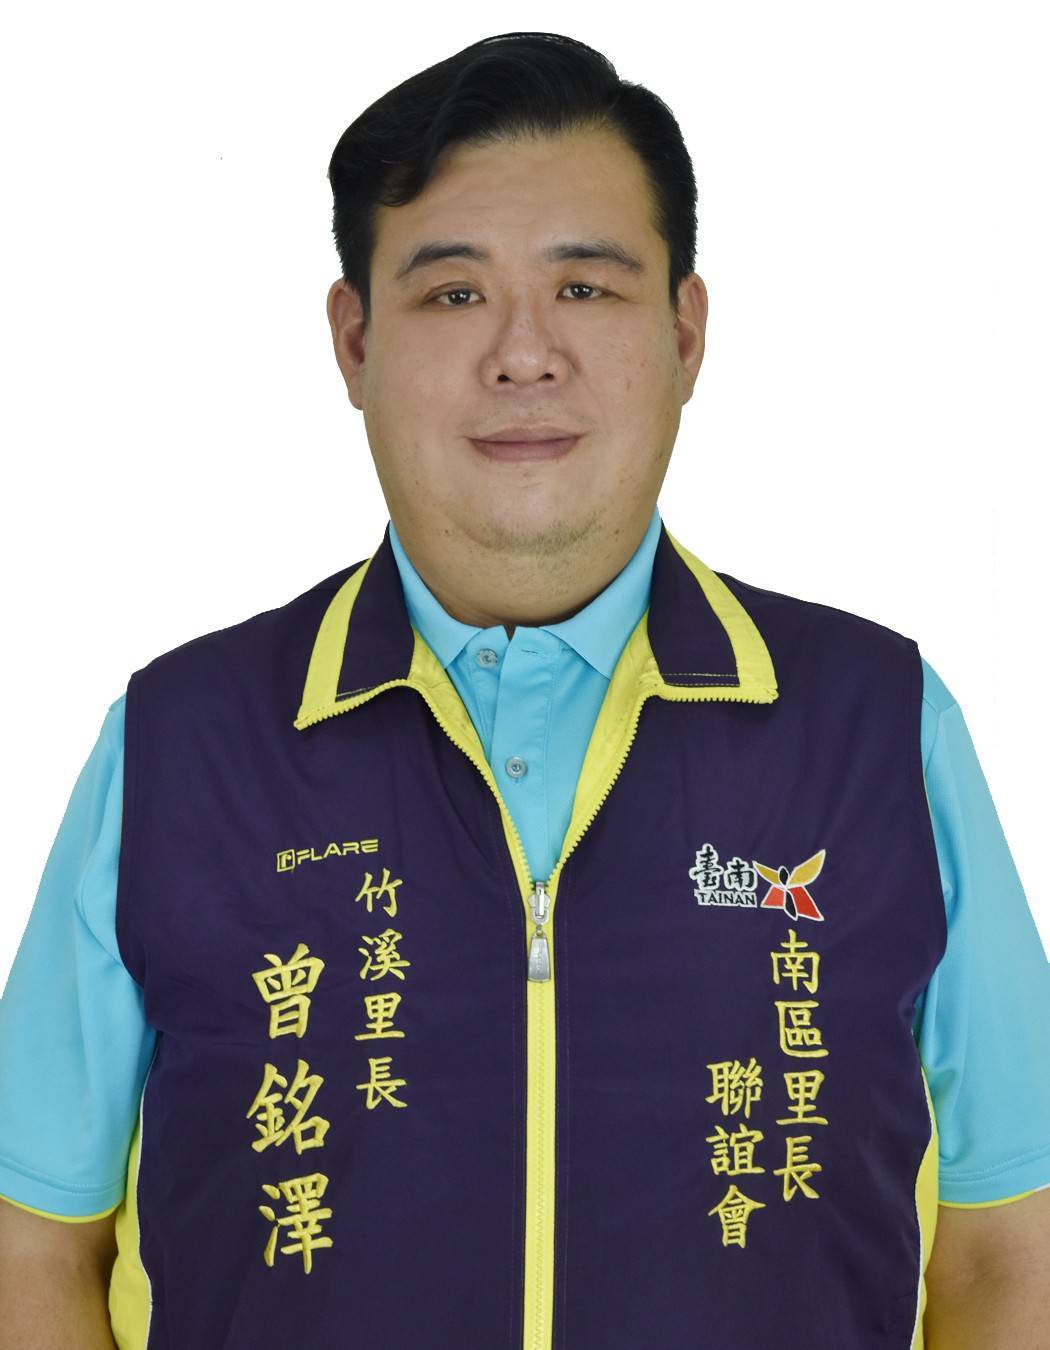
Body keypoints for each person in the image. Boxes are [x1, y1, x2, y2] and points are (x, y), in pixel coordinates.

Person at [1, 29, 1047, 1350]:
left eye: (585, 289)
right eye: (452, 295)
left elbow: (1011, 1250)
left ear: (685, 333)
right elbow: (31, 1249)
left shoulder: (877, 728)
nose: (523, 355)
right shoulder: (183, 743)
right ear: (353, 342)